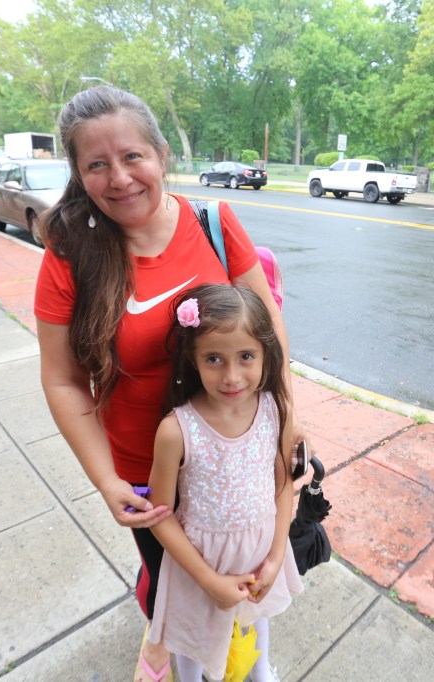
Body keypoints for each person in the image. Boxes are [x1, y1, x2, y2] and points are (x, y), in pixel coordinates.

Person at [34, 85, 298, 682]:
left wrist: (287, 421)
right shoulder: (71, 251)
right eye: (96, 164)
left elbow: (270, 336)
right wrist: (106, 482)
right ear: (78, 174)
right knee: (177, 584)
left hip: (236, 456)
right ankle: (167, 649)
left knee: (246, 581)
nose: (120, 178)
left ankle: (221, 660)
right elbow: (62, 380)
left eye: (132, 157)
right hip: (144, 474)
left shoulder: (212, 221)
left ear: (160, 155)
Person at [147, 284, 303, 682]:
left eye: (246, 357)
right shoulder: (176, 430)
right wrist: (209, 580)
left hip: (261, 551)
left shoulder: (274, 409)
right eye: (214, 358)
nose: (232, 376)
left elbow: (282, 484)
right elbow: (159, 514)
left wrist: (274, 557)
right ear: (192, 358)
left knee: (255, 611)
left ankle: (259, 670)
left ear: (266, 353)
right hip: (201, 564)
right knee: (195, 637)